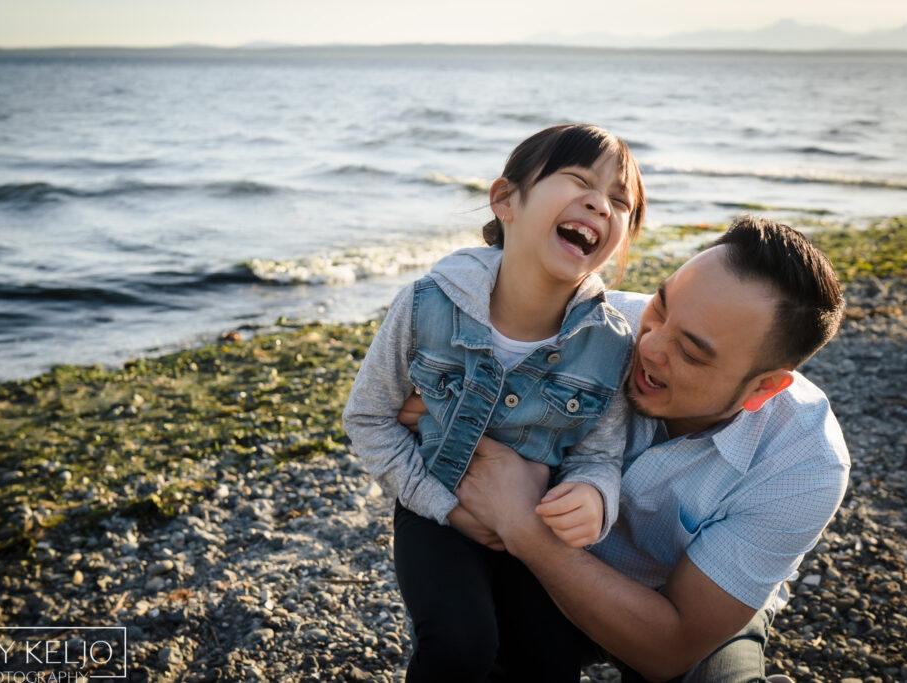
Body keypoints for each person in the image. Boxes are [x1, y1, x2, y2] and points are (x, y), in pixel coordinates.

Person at [426, 216, 850, 682]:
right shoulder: (584, 328)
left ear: (764, 388)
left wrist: (525, 527)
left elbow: (672, 648)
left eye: (690, 352)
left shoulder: (803, 462)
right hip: (533, 577)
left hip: (681, 607)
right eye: (661, 307)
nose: (649, 345)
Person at [343, 124, 646, 682]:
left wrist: (593, 497)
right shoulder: (426, 305)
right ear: (505, 199)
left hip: (534, 524)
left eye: (620, 202)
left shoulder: (610, 344)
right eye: (579, 181)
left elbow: (598, 456)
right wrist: (446, 508)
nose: (600, 204)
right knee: (461, 646)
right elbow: (368, 418)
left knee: (551, 661)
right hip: (434, 510)